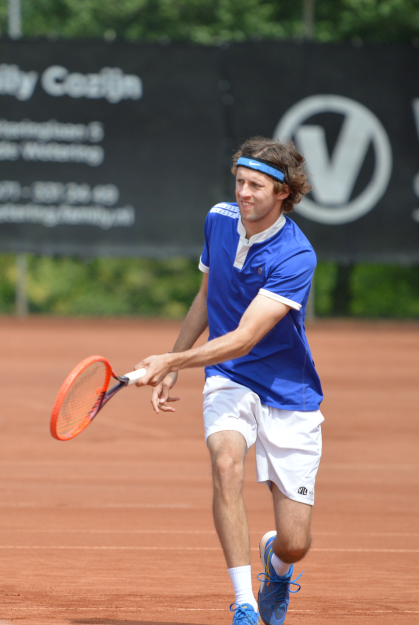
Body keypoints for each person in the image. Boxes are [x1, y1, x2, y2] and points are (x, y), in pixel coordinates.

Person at [133, 137, 323, 625]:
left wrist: (170, 359)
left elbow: (244, 338)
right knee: (225, 463)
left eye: (255, 185)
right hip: (228, 378)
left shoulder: (296, 255)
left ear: (283, 191)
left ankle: (276, 564)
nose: (243, 193)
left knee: (296, 542)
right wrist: (175, 362)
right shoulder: (218, 219)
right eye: (239, 181)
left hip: (288, 391)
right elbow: (206, 296)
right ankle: (243, 604)